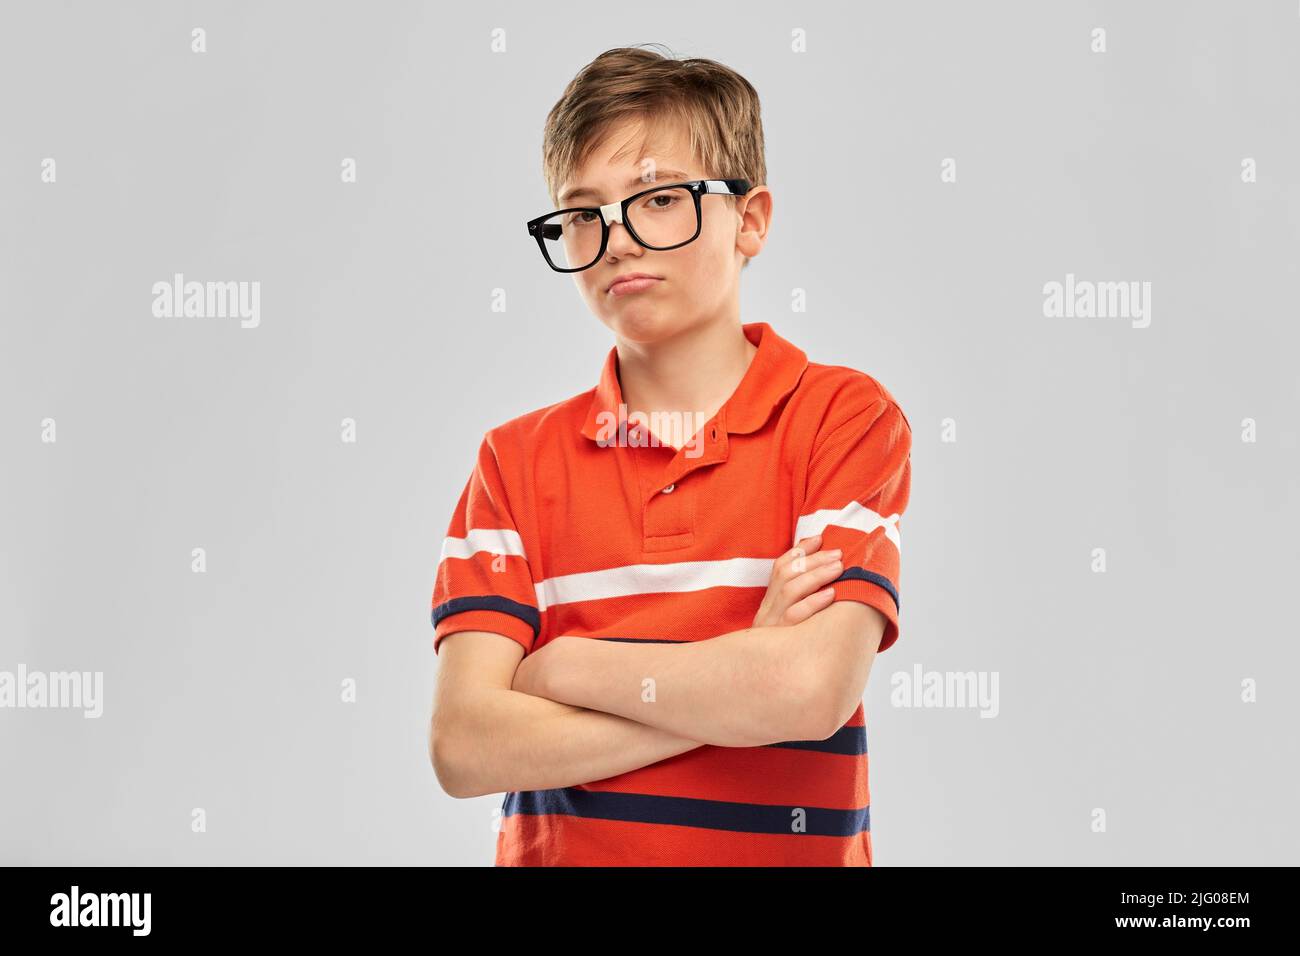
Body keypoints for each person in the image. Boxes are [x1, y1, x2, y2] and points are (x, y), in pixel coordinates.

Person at [428, 44, 912, 866]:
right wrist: (734, 680)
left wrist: (564, 666)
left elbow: (807, 691)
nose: (614, 238)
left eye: (657, 198)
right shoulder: (514, 462)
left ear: (750, 219)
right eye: (582, 213)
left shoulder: (842, 417)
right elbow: (466, 747)